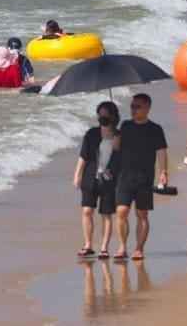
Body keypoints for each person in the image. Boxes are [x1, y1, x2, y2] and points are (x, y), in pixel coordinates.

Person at [114, 92, 168, 260]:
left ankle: (139, 248)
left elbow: (161, 152)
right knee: (121, 212)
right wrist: (115, 136)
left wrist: (163, 172)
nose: (133, 110)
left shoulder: (155, 129)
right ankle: (122, 246)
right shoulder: (125, 126)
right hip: (124, 176)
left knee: (142, 214)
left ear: (147, 108)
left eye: (137, 107)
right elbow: (116, 149)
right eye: (132, 106)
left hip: (145, 178)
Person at [74, 100, 122, 258]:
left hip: (108, 179)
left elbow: (121, 160)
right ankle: (88, 244)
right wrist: (77, 174)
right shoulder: (91, 134)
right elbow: (83, 156)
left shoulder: (118, 136)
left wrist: (113, 170)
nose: (102, 118)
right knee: (87, 210)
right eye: (100, 115)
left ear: (113, 116)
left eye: (105, 115)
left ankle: (104, 247)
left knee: (106, 213)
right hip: (90, 177)